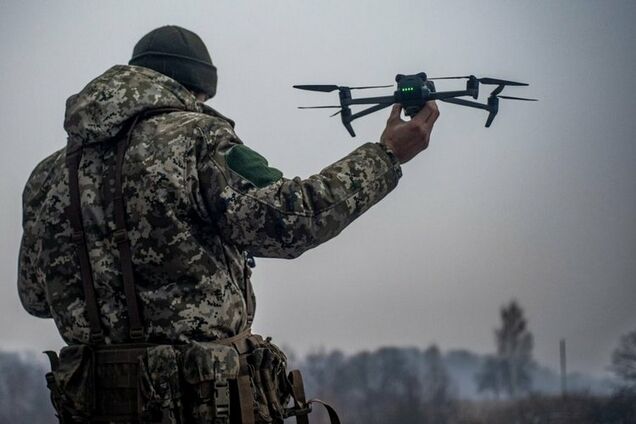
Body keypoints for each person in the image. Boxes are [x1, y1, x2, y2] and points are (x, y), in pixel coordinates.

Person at [17, 26, 438, 423]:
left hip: (94, 410)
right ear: (196, 88)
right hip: (202, 406)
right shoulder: (198, 139)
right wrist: (385, 156)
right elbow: (293, 219)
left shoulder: (49, 174)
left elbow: (35, 296)